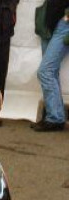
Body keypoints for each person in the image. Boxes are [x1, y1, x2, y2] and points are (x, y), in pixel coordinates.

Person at [31, 0, 69, 132]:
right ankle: (55, 116)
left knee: (45, 71)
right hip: (48, 24)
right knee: (51, 72)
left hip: (63, 25)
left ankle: (55, 118)